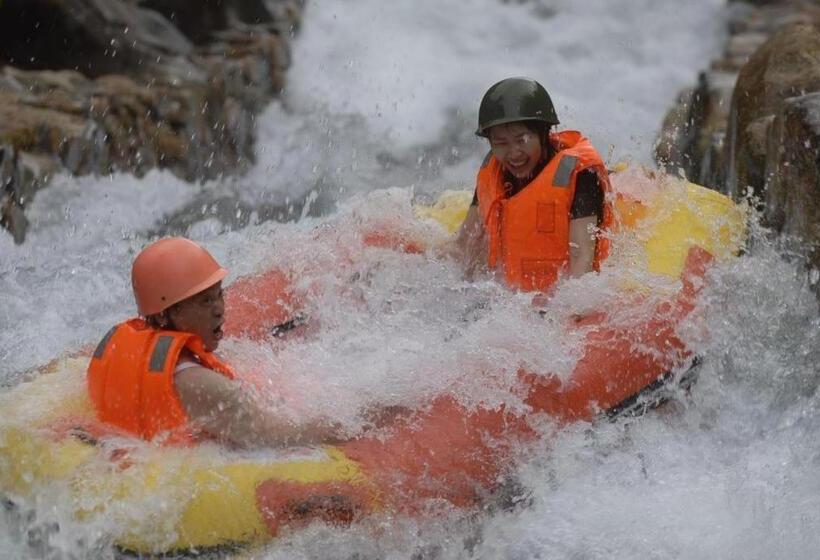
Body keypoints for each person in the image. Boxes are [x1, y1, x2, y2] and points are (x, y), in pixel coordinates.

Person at [86, 237, 343, 448]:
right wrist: (351, 426)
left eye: (219, 294)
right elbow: (280, 436)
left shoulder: (124, 353)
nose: (219, 309)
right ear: (164, 313)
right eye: (205, 301)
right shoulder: (201, 385)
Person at [455, 77, 613, 293]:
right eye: (501, 143)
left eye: (522, 140)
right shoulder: (494, 171)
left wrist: (572, 309)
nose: (514, 153)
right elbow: (466, 242)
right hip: (514, 297)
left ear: (544, 133)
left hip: (561, 295)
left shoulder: (580, 174)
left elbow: (582, 256)